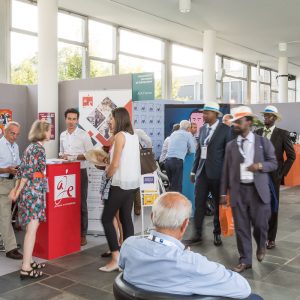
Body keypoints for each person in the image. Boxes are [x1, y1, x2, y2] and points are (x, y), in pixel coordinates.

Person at [119, 192, 253, 299]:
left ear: (152, 217)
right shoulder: (192, 263)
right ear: (184, 225)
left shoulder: (129, 245)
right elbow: (243, 288)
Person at [220, 106, 277, 273]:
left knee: (260, 225)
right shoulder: (231, 146)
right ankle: (245, 259)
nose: (235, 125)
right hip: (238, 191)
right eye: (234, 122)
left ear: (249, 122)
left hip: (258, 191)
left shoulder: (263, 142)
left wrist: (260, 165)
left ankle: (261, 245)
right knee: (241, 227)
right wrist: (223, 193)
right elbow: (225, 170)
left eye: (239, 122)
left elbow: (273, 163)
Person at [99, 107, 141, 272]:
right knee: (126, 219)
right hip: (131, 185)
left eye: (111, 117)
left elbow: (115, 164)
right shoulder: (133, 136)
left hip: (119, 184)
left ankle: (115, 258)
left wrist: (107, 174)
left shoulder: (119, 136)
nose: (110, 120)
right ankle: (127, 259)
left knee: (106, 219)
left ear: (119, 119)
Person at [9, 120, 51, 279]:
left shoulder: (30, 147)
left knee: (31, 228)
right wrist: (17, 191)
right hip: (33, 192)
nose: (50, 133)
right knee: (32, 229)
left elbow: (22, 170)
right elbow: (27, 174)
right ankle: (26, 267)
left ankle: (29, 260)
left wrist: (16, 190)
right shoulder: (38, 149)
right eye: (49, 130)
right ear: (43, 131)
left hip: (30, 191)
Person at [189, 101, 232, 247]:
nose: (203, 115)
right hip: (202, 174)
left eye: (206, 113)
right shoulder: (202, 130)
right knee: (199, 204)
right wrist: (193, 170)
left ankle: (217, 233)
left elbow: (229, 156)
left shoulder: (226, 130)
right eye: (203, 113)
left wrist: (227, 178)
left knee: (217, 207)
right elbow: (199, 152)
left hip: (218, 175)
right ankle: (197, 235)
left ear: (215, 114)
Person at [255, 105, 295, 249]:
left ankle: (271, 238)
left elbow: (291, 156)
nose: (265, 117)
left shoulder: (282, 134)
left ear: (275, 118)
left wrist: (281, 174)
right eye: (265, 115)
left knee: (273, 207)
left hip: (273, 177)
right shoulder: (257, 132)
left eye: (269, 115)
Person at [59, 108, 93, 246]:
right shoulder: (62, 135)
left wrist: (73, 157)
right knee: (67, 204)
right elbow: (61, 152)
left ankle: (82, 234)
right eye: (69, 119)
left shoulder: (84, 135)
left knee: (81, 204)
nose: (71, 122)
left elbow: (90, 154)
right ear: (65, 119)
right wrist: (62, 156)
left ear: (78, 120)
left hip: (80, 172)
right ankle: (69, 231)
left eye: (74, 119)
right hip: (65, 173)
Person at [0, 122, 23, 260]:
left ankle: (7, 242)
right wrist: (6, 170)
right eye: (12, 133)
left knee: (7, 216)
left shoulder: (16, 146)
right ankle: (11, 248)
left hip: (13, 183)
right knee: (5, 217)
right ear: (4, 131)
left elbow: (18, 163)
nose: (14, 137)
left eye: (17, 134)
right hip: (2, 183)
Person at [165, 120, 195, 193]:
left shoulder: (174, 133)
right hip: (177, 162)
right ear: (188, 128)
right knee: (177, 187)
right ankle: (177, 203)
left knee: (172, 185)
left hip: (167, 162)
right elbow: (193, 150)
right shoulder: (188, 134)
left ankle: (170, 203)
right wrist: (186, 150)